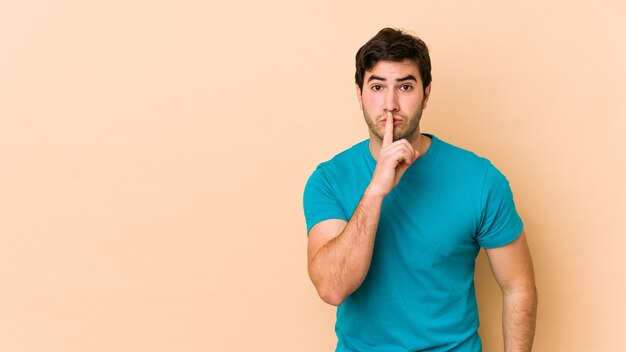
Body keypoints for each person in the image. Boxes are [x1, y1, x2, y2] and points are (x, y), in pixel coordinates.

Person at [302, 28, 537, 351]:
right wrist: (375, 192)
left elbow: (518, 287)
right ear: (359, 94)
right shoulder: (329, 179)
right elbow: (331, 288)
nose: (390, 104)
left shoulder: (480, 179)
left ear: (426, 94)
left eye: (406, 86)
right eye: (377, 86)